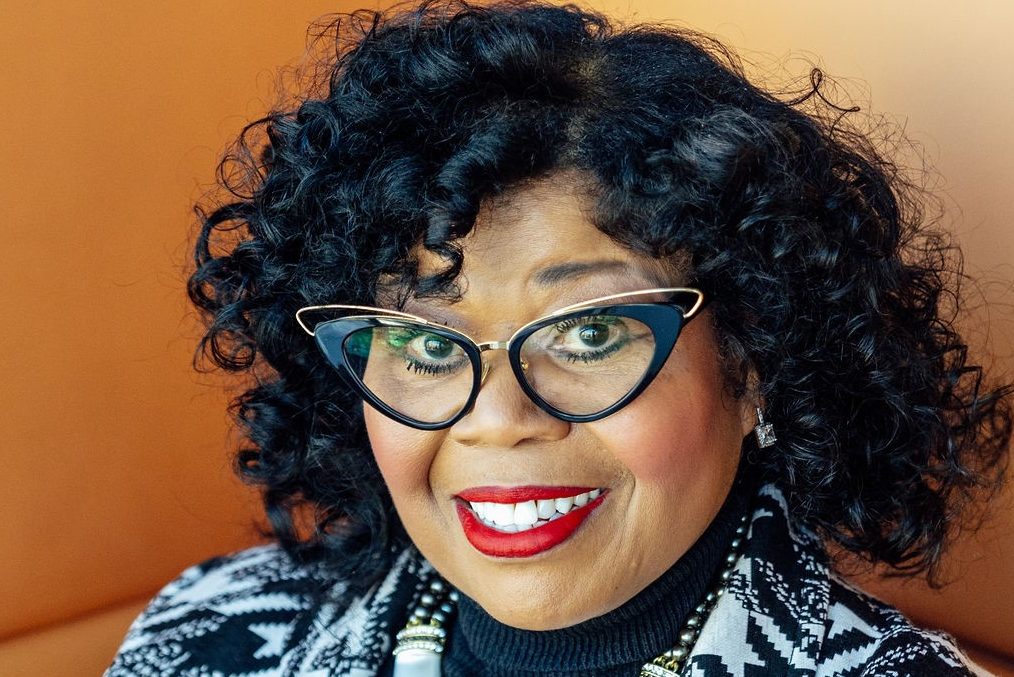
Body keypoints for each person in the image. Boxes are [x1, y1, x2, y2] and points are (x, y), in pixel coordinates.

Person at [107, 0, 1013, 674]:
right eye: (424, 345)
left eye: (586, 332)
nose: (497, 421)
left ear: (755, 363)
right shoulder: (211, 630)